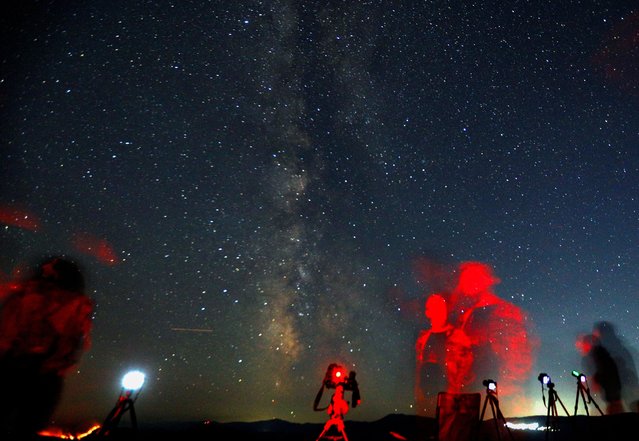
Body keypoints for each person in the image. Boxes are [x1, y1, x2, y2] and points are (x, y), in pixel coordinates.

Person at [0, 256, 94, 440]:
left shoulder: (27, 298)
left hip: (27, 371)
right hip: (32, 372)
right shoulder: (75, 304)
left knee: (20, 422)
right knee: (24, 424)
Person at [448, 261, 537, 415]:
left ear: (484, 280)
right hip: (469, 395)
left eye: (469, 278)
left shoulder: (505, 312)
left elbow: (517, 357)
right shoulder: (467, 315)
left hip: (497, 396)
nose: (462, 284)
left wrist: (506, 390)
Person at [415, 293, 472, 417]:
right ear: (428, 313)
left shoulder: (458, 337)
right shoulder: (423, 339)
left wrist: (456, 391)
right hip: (426, 400)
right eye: (435, 307)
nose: (441, 311)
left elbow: (467, 370)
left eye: (442, 307)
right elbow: (419, 367)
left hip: (450, 401)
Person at [592, 321, 639, 412]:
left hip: (616, 393)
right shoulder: (620, 347)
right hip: (628, 386)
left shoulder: (602, 350)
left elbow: (606, 370)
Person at [575, 333, 625, 414]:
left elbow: (604, 374)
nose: (580, 347)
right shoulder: (604, 356)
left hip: (612, 398)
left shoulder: (599, 356)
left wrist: (595, 379)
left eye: (583, 343)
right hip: (612, 397)